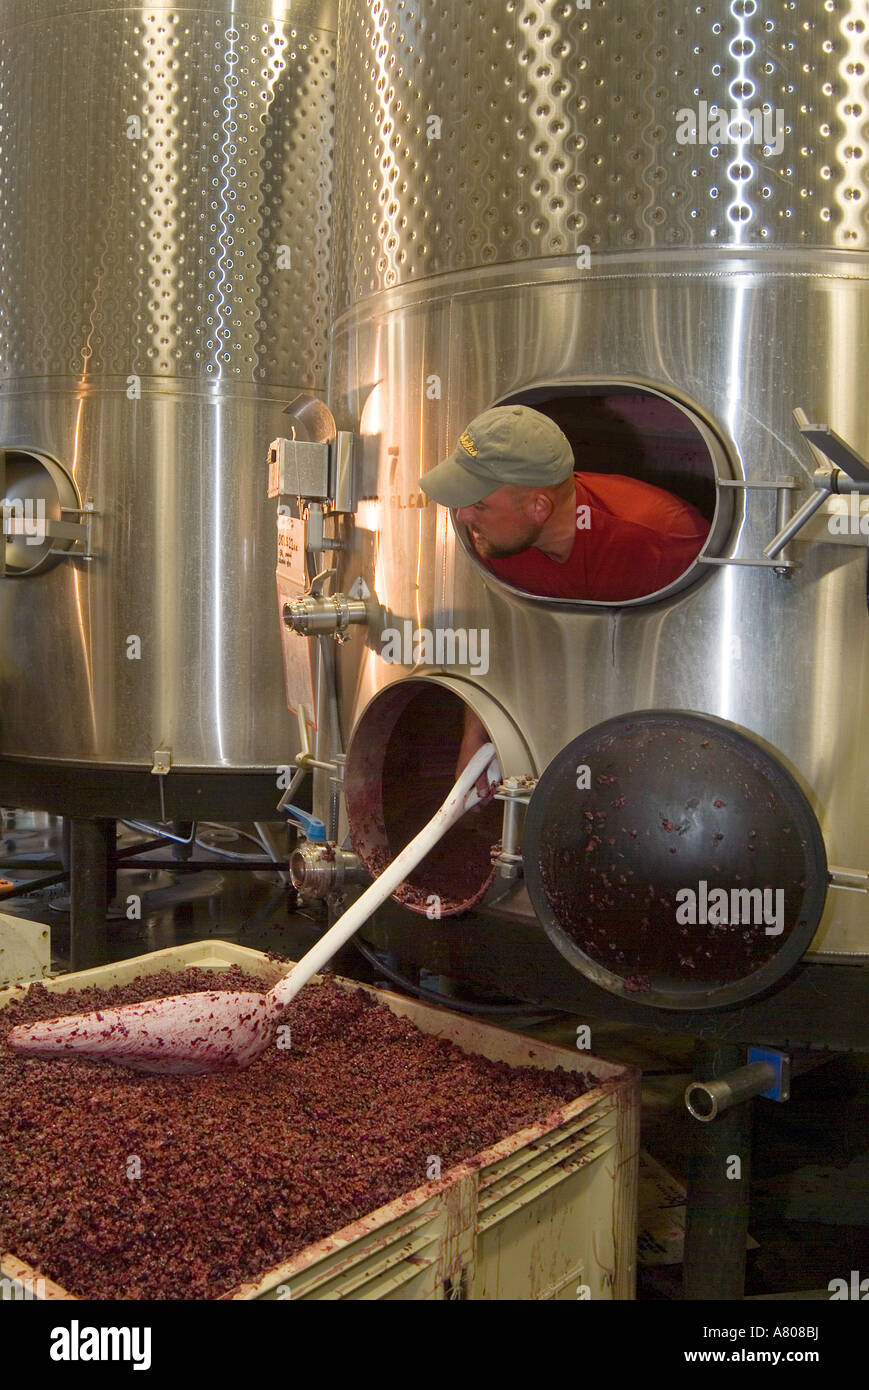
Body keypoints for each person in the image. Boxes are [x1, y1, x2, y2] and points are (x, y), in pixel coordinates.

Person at [420, 404, 710, 795]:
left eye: (479, 504)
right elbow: (503, 633)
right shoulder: (499, 541)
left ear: (539, 508)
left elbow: (700, 668)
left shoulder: (663, 541)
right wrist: (478, 729)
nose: (462, 516)